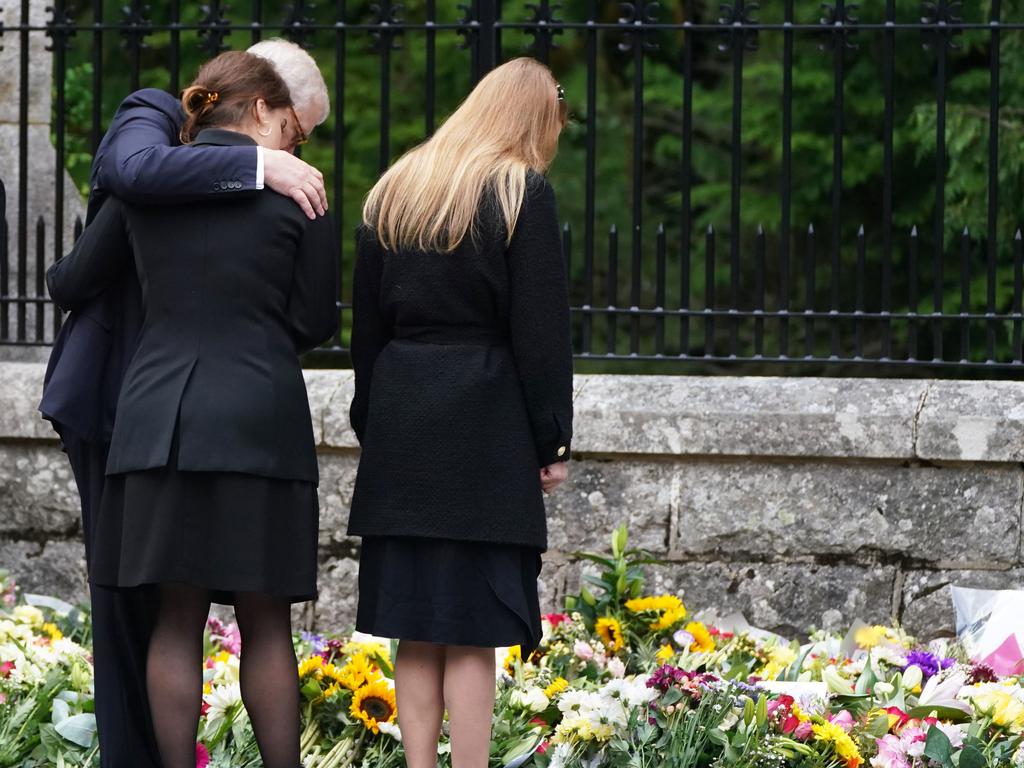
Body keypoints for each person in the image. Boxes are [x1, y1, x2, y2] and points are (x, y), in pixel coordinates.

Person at [38, 38, 329, 768]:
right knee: (265, 620)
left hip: (156, 414)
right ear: (261, 110)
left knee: (176, 616)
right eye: (291, 127)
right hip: (258, 415)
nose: (296, 144)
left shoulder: (146, 196)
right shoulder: (298, 193)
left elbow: (76, 276)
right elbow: (314, 322)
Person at [348, 57, 573, 768]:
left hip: (402, 415)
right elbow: (540, 334)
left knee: (414, 621)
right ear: (531, 120)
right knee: (471, 626)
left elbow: (365, 331)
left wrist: (374, 421)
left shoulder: (397, 189)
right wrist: (551, 440)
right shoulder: (518, 192)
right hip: (484, 423)